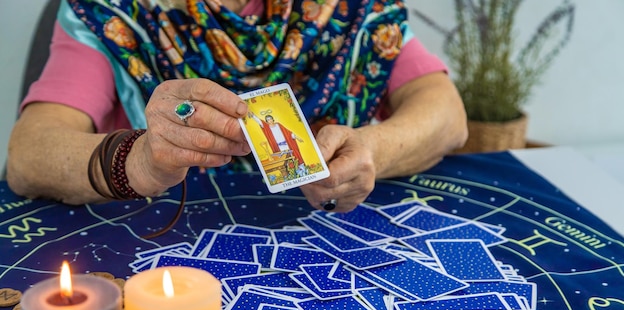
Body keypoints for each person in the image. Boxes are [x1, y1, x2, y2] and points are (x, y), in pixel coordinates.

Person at [7, 0, 468, 214]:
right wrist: (141, 161)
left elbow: (447, 116)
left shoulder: (350, 7)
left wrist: (371, 150)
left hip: (324, 232)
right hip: (166, 243)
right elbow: (29, 155)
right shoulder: (112, 11)